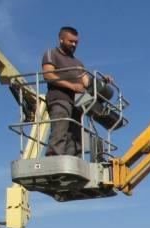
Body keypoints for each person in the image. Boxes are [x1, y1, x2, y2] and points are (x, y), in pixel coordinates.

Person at [41, 26, 89, 156]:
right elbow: (48, 75)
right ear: (61, 39)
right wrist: (72, 86)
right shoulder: (52, 54)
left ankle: (74, 162)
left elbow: (87, 82)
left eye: (76, 42)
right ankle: (54, 157)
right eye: (71, 41)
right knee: (60, 129)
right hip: (59, 99)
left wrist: (103, 81)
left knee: (76, 138)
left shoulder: (78, 63)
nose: (74, 44)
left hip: (77, 104)